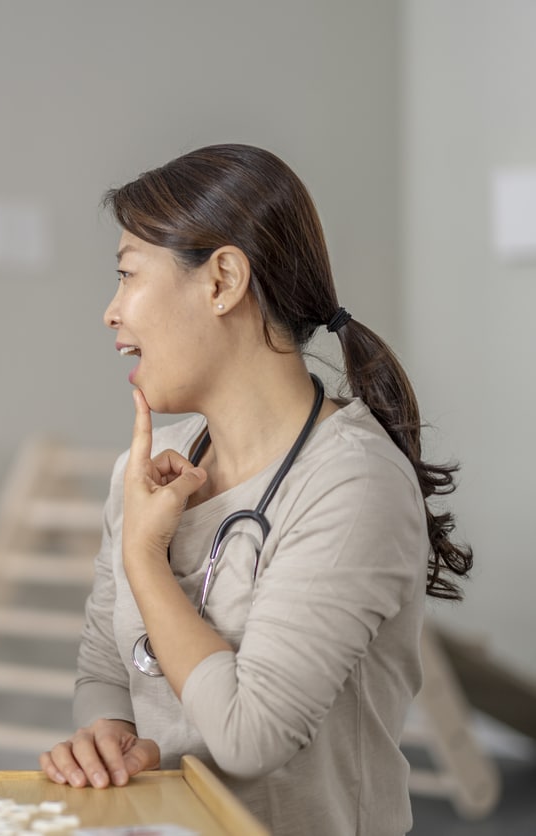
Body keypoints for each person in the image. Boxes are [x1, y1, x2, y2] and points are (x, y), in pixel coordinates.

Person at [39, 144, 472, 835]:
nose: (110, 312)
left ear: (223, 281)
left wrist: (147, 562)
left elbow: (251, 737)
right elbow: (104, 669)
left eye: (126, 276)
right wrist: (105, 739)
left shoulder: (352, 484)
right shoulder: (149, 469)